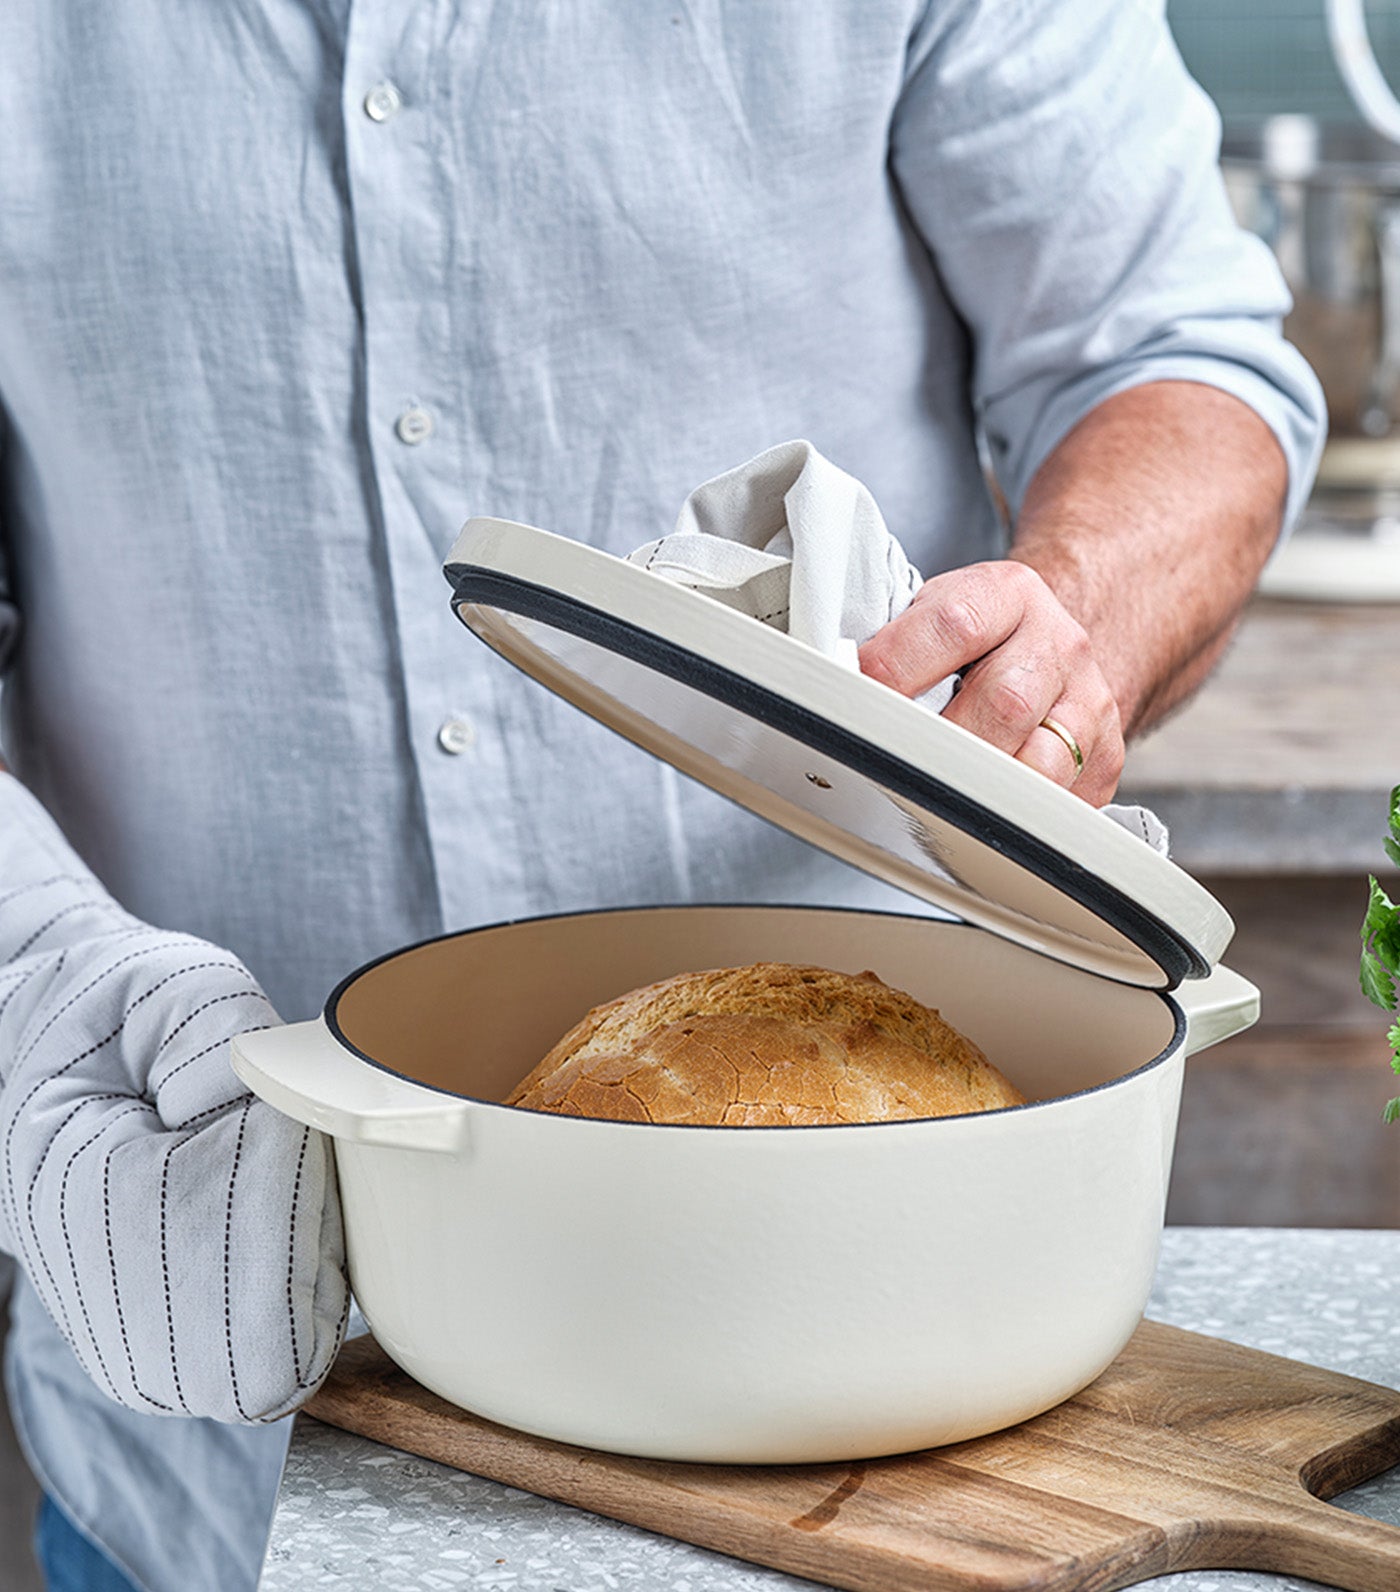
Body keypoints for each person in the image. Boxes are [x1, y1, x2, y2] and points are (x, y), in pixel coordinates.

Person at [0, 3, 1322, 1589]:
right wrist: (41, 994)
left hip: (907, 1426)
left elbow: (1172, 349)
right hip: (192, 1388)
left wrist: (1069, 619)